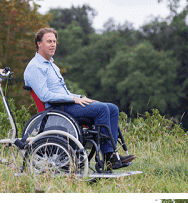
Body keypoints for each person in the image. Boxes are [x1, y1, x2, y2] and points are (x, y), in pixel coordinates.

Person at [24, 28, 135, 169]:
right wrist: (73, 100)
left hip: (65, 104)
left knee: (112, 108)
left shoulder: (53, 66)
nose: (53, 45)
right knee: (101, 109)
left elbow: (64, 92)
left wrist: (80, 97)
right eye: (49, 42)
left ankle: (111, 154)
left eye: (54, 41)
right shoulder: (35, 67)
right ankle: (108, 156)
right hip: (56, 109)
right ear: (39, 44)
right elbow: (45, 95)